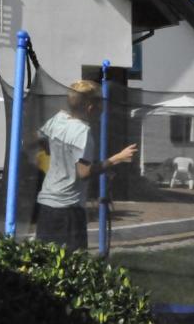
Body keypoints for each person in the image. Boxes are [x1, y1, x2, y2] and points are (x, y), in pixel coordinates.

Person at [35, 80, 138, 252]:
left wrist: (57, 151)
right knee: (72, 263)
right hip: (68, 210)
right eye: (101, 106)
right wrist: (117, 158)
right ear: (90, 108)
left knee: (44, 259)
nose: (103, 110)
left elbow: (37, 139)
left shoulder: (58, 119)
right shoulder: (83, 132)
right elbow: (83, 172)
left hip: (46, 205)